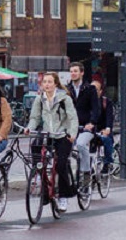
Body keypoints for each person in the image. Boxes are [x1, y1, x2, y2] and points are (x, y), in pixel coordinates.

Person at [27, 71, 79, 212]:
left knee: (61, 164)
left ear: (55, 84)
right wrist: (29, 128)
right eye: (44, 82)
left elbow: (73, 118)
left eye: (50, 82)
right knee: (36, 148)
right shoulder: (40, 99)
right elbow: (35, 117)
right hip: (47, 133)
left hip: (63, 134)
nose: (47, 85)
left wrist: (72, 133)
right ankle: (39, 179)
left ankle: (63, 196)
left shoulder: (64, 99)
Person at [66, 62, 100, 191]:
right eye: (71, 71)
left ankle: (86, 173)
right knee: (63, 149)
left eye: (75, 71)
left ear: (82, 73)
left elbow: (95, 108)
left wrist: (91, 122)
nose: (73, 73)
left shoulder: (89, 89)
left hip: (86, 127)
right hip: (71, 127)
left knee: (80, 144)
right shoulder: (67, 89)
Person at [91, 81, 115, 173]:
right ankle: (89, 167)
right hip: (91, 129)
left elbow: (109, 117)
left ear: (100, 91)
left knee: (106, 139)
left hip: (103, 128)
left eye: (95, 89)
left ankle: (107, 163)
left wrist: (108, 128)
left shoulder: (106, 102)